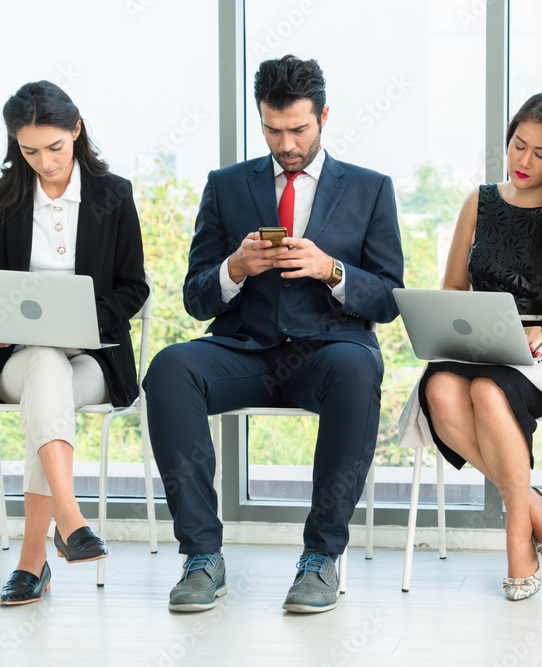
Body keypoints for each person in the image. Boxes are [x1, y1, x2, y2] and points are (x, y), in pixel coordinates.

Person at [142, 55, 404, 614]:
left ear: (324, 116)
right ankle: (202, 557)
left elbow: (387, 300)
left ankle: (320, 559)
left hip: (329, 354)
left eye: (298, 130)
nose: (285, 144)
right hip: (246, 351)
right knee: (169, 366)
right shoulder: (226, 185)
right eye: (272, 129)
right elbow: (195, 298)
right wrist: (234, 268)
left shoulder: (370, 189)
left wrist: (331, 270)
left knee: (359, 368)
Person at [418, 91, 542, 600]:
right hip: (481, 342)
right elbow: (453, 292)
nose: (523, 161)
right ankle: (532, 506)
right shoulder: (479, 203)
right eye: (517, 145)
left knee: (488, 391)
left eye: (540, 153)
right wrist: (457, 326)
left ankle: (516, 541)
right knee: (439, 389)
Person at [0, 81, 149, 605]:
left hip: (93, 359)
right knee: (44, 363)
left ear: (76, 129)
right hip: (18, 362)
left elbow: (133, 287)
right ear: (15, 145)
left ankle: (33, 561)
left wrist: (83, 322)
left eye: (54, 147)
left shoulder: (113, 195)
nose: (44, 162)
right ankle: (69, 518)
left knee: (48, 399)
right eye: (28, 151)